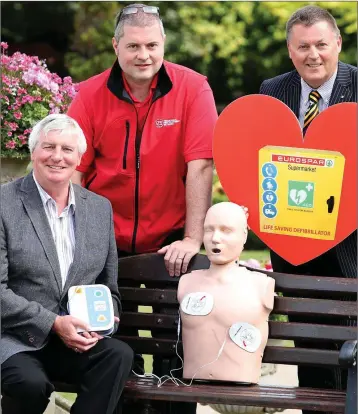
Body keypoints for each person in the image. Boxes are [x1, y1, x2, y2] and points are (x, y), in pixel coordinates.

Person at [67, 3, 217, 278]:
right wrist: (80, 235)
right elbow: (73, 172)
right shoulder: (88, 95)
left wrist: (192, 239)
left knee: (183, 320)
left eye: (151, 46)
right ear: (116, 46)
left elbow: (201, 166)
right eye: (133, 46)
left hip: (172, 242)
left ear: (163, 44)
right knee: (104, 321)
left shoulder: (194, 89)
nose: (143, 55)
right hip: (103, 239)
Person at [1, 114, 133, 414]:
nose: (57, 157)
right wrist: (54, 323)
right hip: (14, 338)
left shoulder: (99, 209)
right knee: (29, 384)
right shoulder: (4, 203)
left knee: (117, 356)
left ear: (79, 157)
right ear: (33, 152)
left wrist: (101, 320)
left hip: (75, 341)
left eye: (67, 149)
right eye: (49, 147)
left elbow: (108, 286)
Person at [259, 5, 357, 410]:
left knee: (351, 345)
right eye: (302, 47)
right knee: (309, 345)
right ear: (289, 49)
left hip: (353, 240)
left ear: (337, 43)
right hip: (294, 240)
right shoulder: (271, 90)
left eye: (320, 44)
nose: (312, 54)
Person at [178, 202, 275, 384]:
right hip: (193, 378)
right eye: (208, 230)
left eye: (226, 230)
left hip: (242, 378)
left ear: (244, 236)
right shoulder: (187, 282)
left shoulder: (262, 285)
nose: (215, 238)